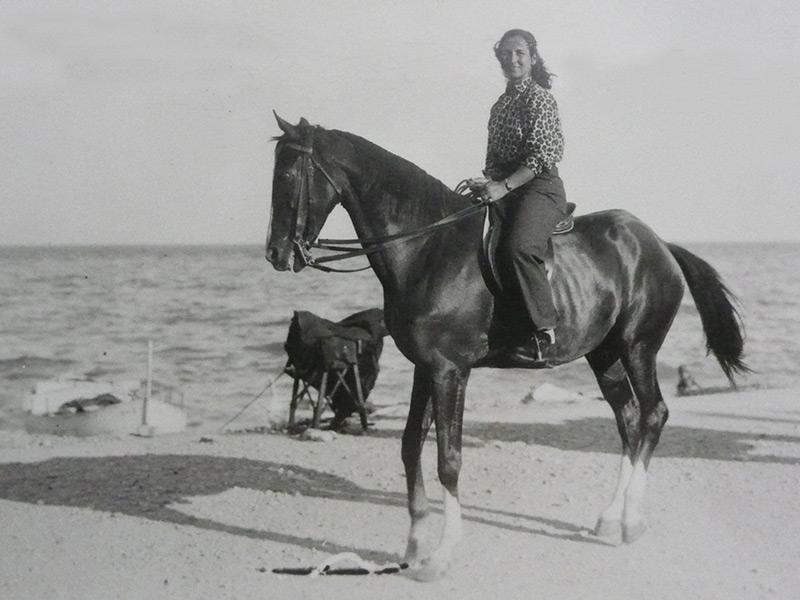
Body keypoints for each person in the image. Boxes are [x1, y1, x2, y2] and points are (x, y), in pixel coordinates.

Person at [473, 28, 567, 364]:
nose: (513, 59)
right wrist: (486, 182)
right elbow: (492, 160)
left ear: (532, 58)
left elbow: (541, 156)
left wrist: (504, 186)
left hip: (539, 186)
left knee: (519, 248)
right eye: (507, 54)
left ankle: (544, 331)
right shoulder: (499, 105)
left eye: (520, 53)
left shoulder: (539, 98)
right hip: (506, 187)